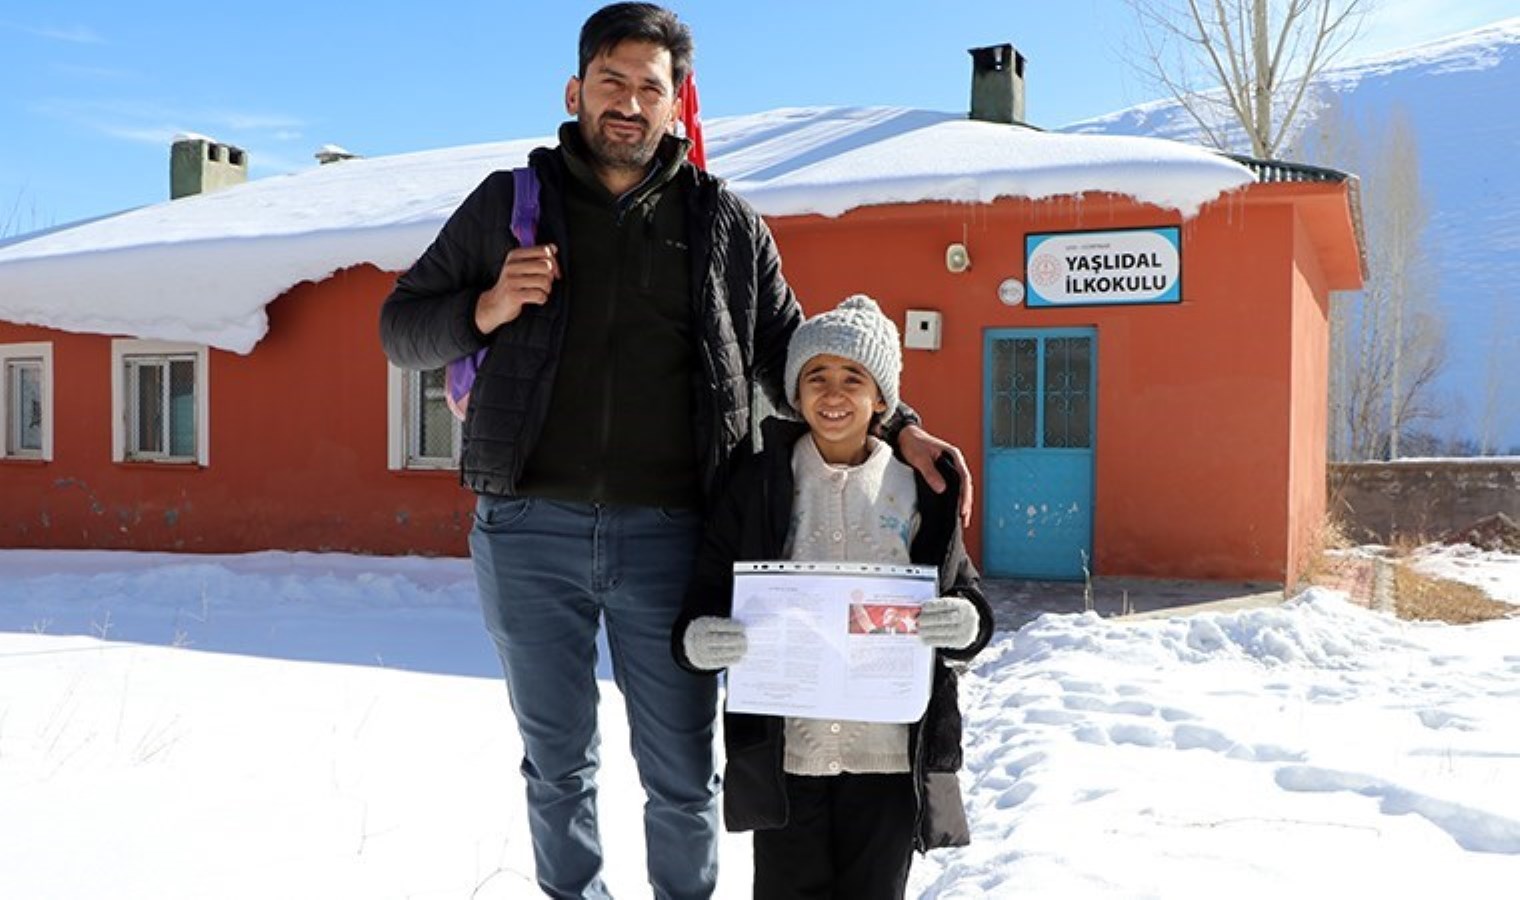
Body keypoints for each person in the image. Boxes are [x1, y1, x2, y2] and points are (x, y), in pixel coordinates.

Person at [379, 4, 970, 897]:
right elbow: (400, 329)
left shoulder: (726, 225)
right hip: (527, 530)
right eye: (611, 81)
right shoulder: (509, 206)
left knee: (683, 777)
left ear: (676, 102)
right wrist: (488, 306)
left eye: (649, 87)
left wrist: (900, 424)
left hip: (673, 538)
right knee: (557, 765)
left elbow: (797, 362)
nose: (628, 102)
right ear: (576, 90)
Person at [674, 295, 993, 900]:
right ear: (795, 393)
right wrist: (699, 636)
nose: (833, 392)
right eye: (816, 376)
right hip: (789, 753)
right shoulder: (759, 483)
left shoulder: (917, 487)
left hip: (890, 758)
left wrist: (965, 622)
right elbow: (708, 586)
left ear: (883, 399)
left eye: (854, 377)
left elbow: (966, 593)